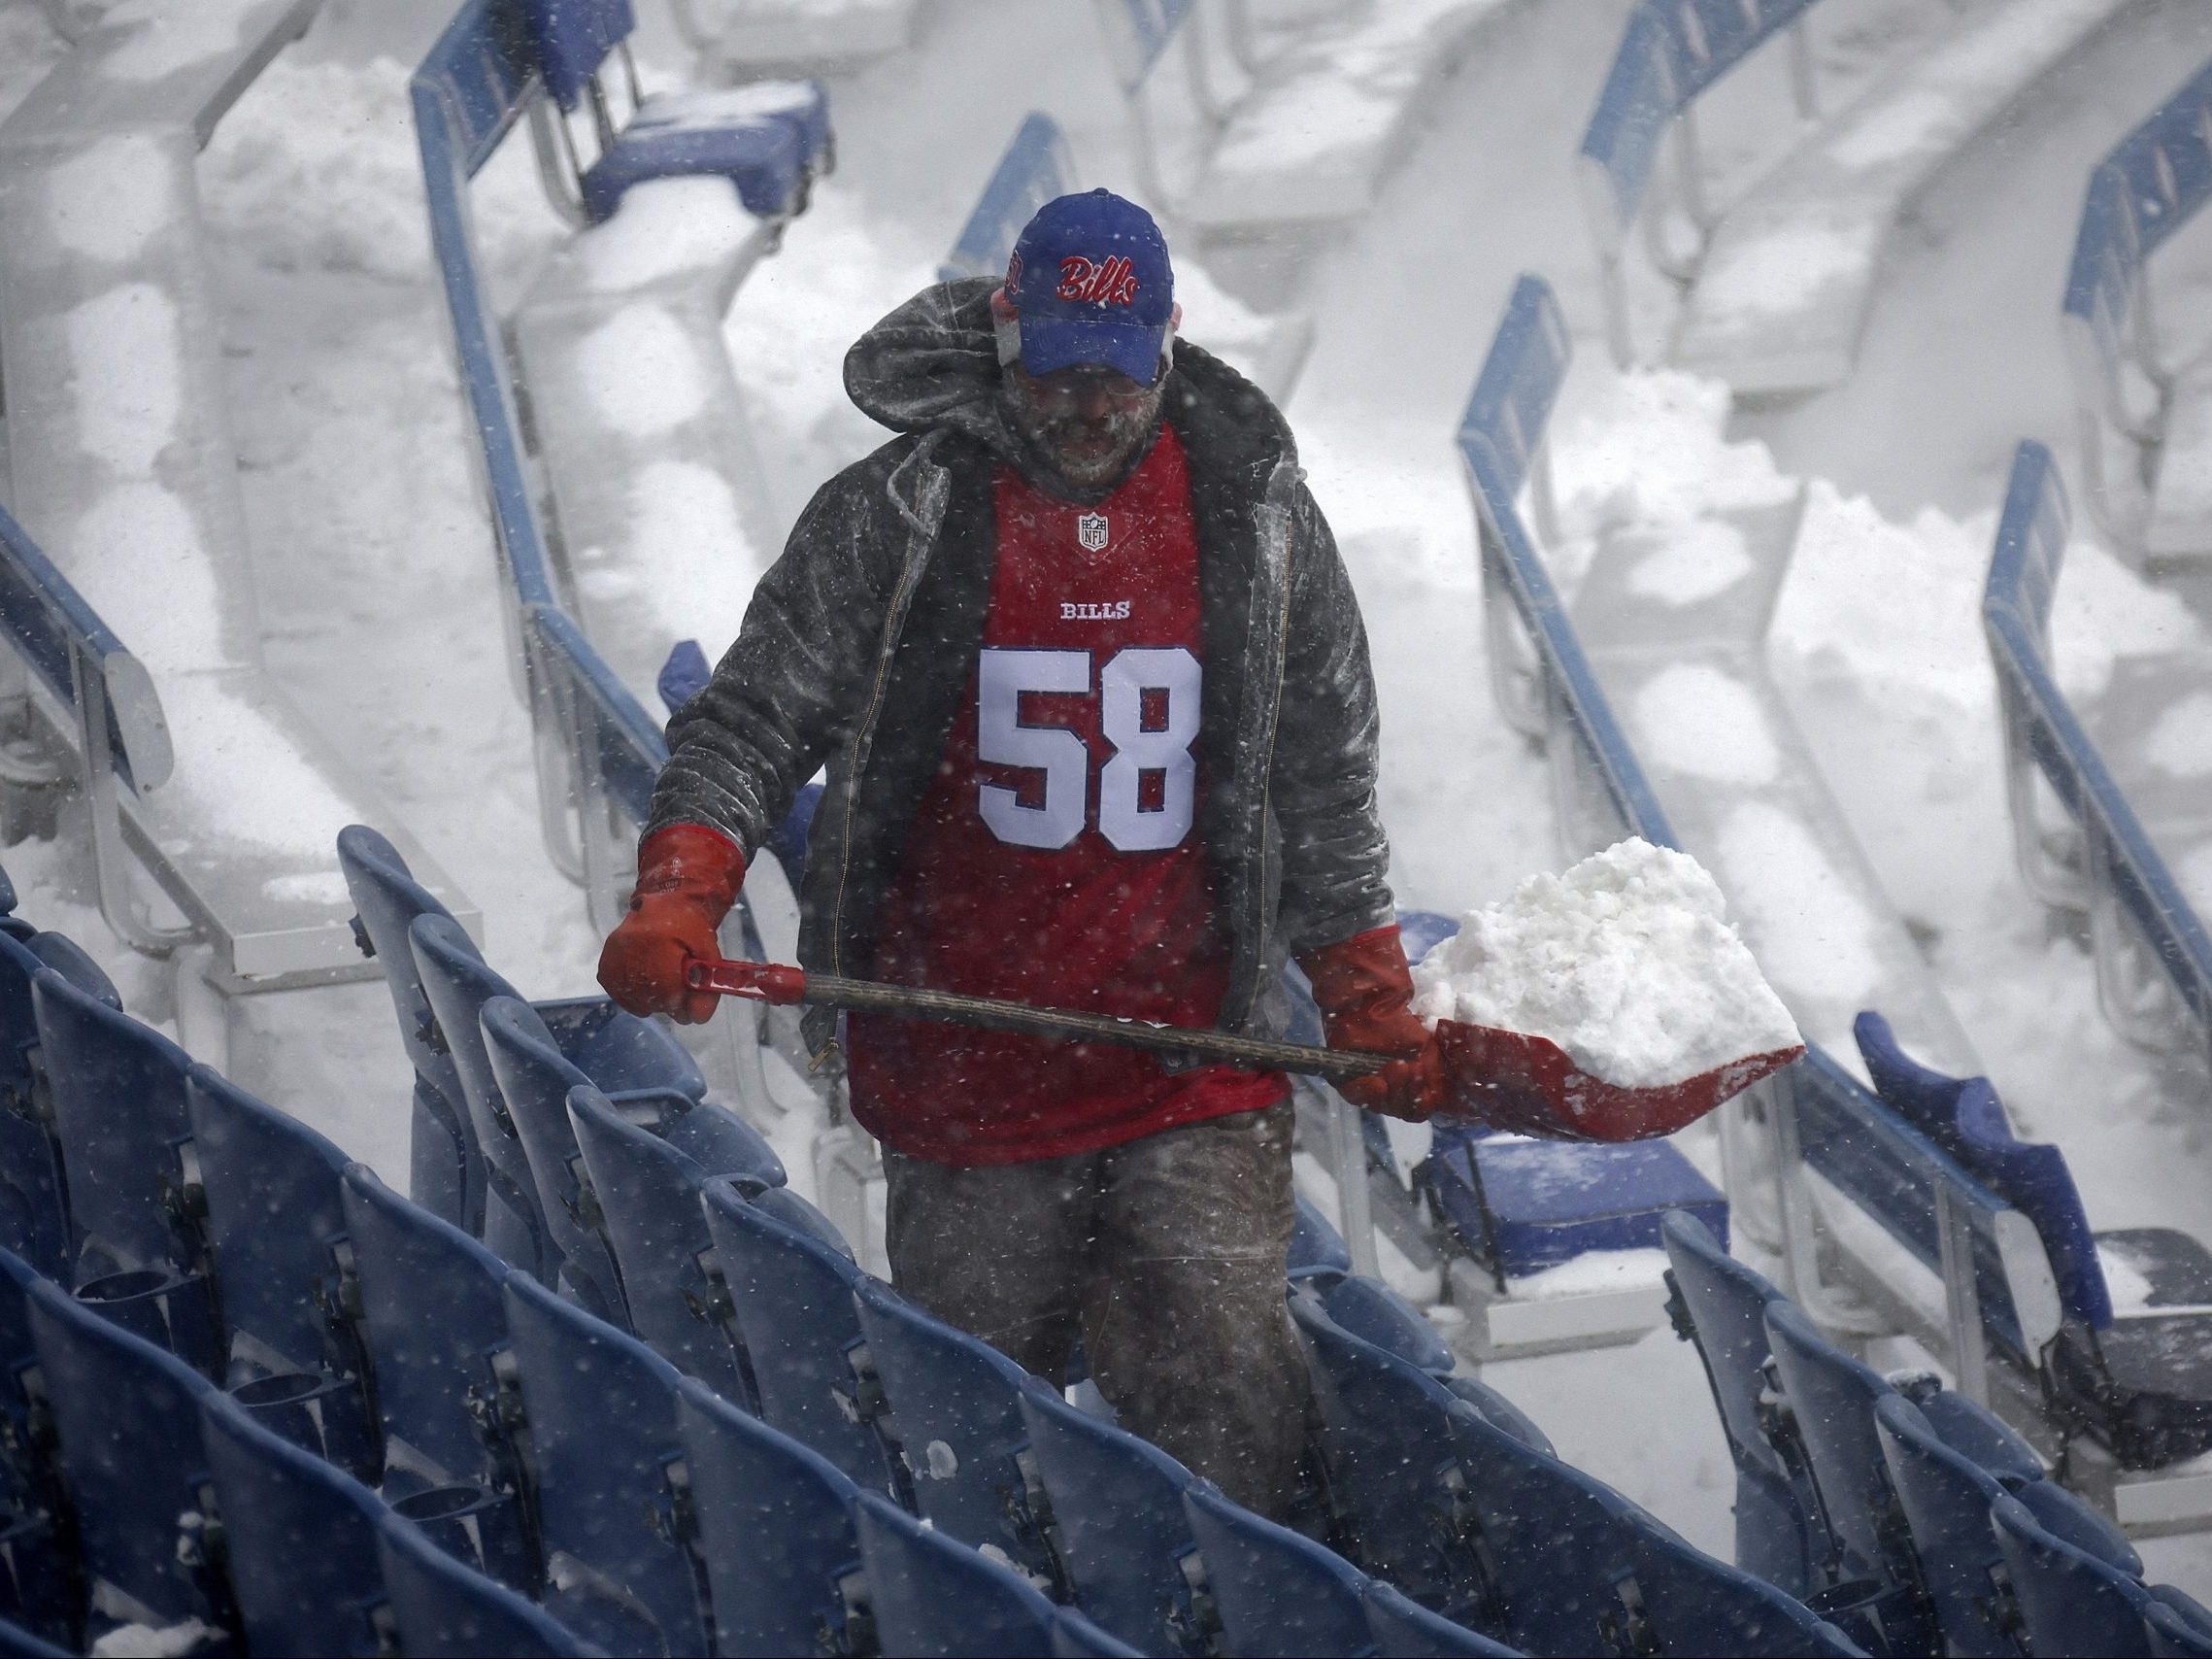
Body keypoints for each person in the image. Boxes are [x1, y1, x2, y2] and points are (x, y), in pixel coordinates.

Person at [598, 188, 1446, 1517]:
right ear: (1005, 339)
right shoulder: (901, 510)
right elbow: (752, 720)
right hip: (960, 1062)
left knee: (1234, 1416)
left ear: (1167, 345)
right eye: (1056, 370)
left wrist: (1364, 990)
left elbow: (1323, 776)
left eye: (1117, 375)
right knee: (977, 1447)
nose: (1088, 406)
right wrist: (682, 889)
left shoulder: (1256, 520)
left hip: (1193, 1058)